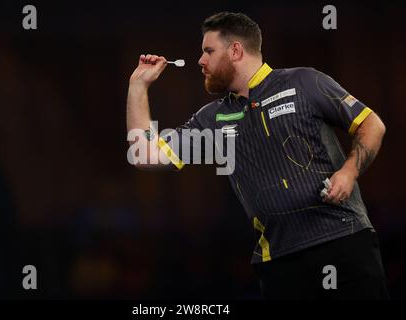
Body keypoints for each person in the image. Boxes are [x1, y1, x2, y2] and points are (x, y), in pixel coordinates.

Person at [126, 12, 388, 299]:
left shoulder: (305, 82)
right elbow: (144, 155)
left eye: (208, 51)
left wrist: (349, 172)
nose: (201, 61)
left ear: (236, 50)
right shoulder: (213, 118)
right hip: (279, 263)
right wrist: (138, 87)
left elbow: (371, 124)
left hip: (344, 241)